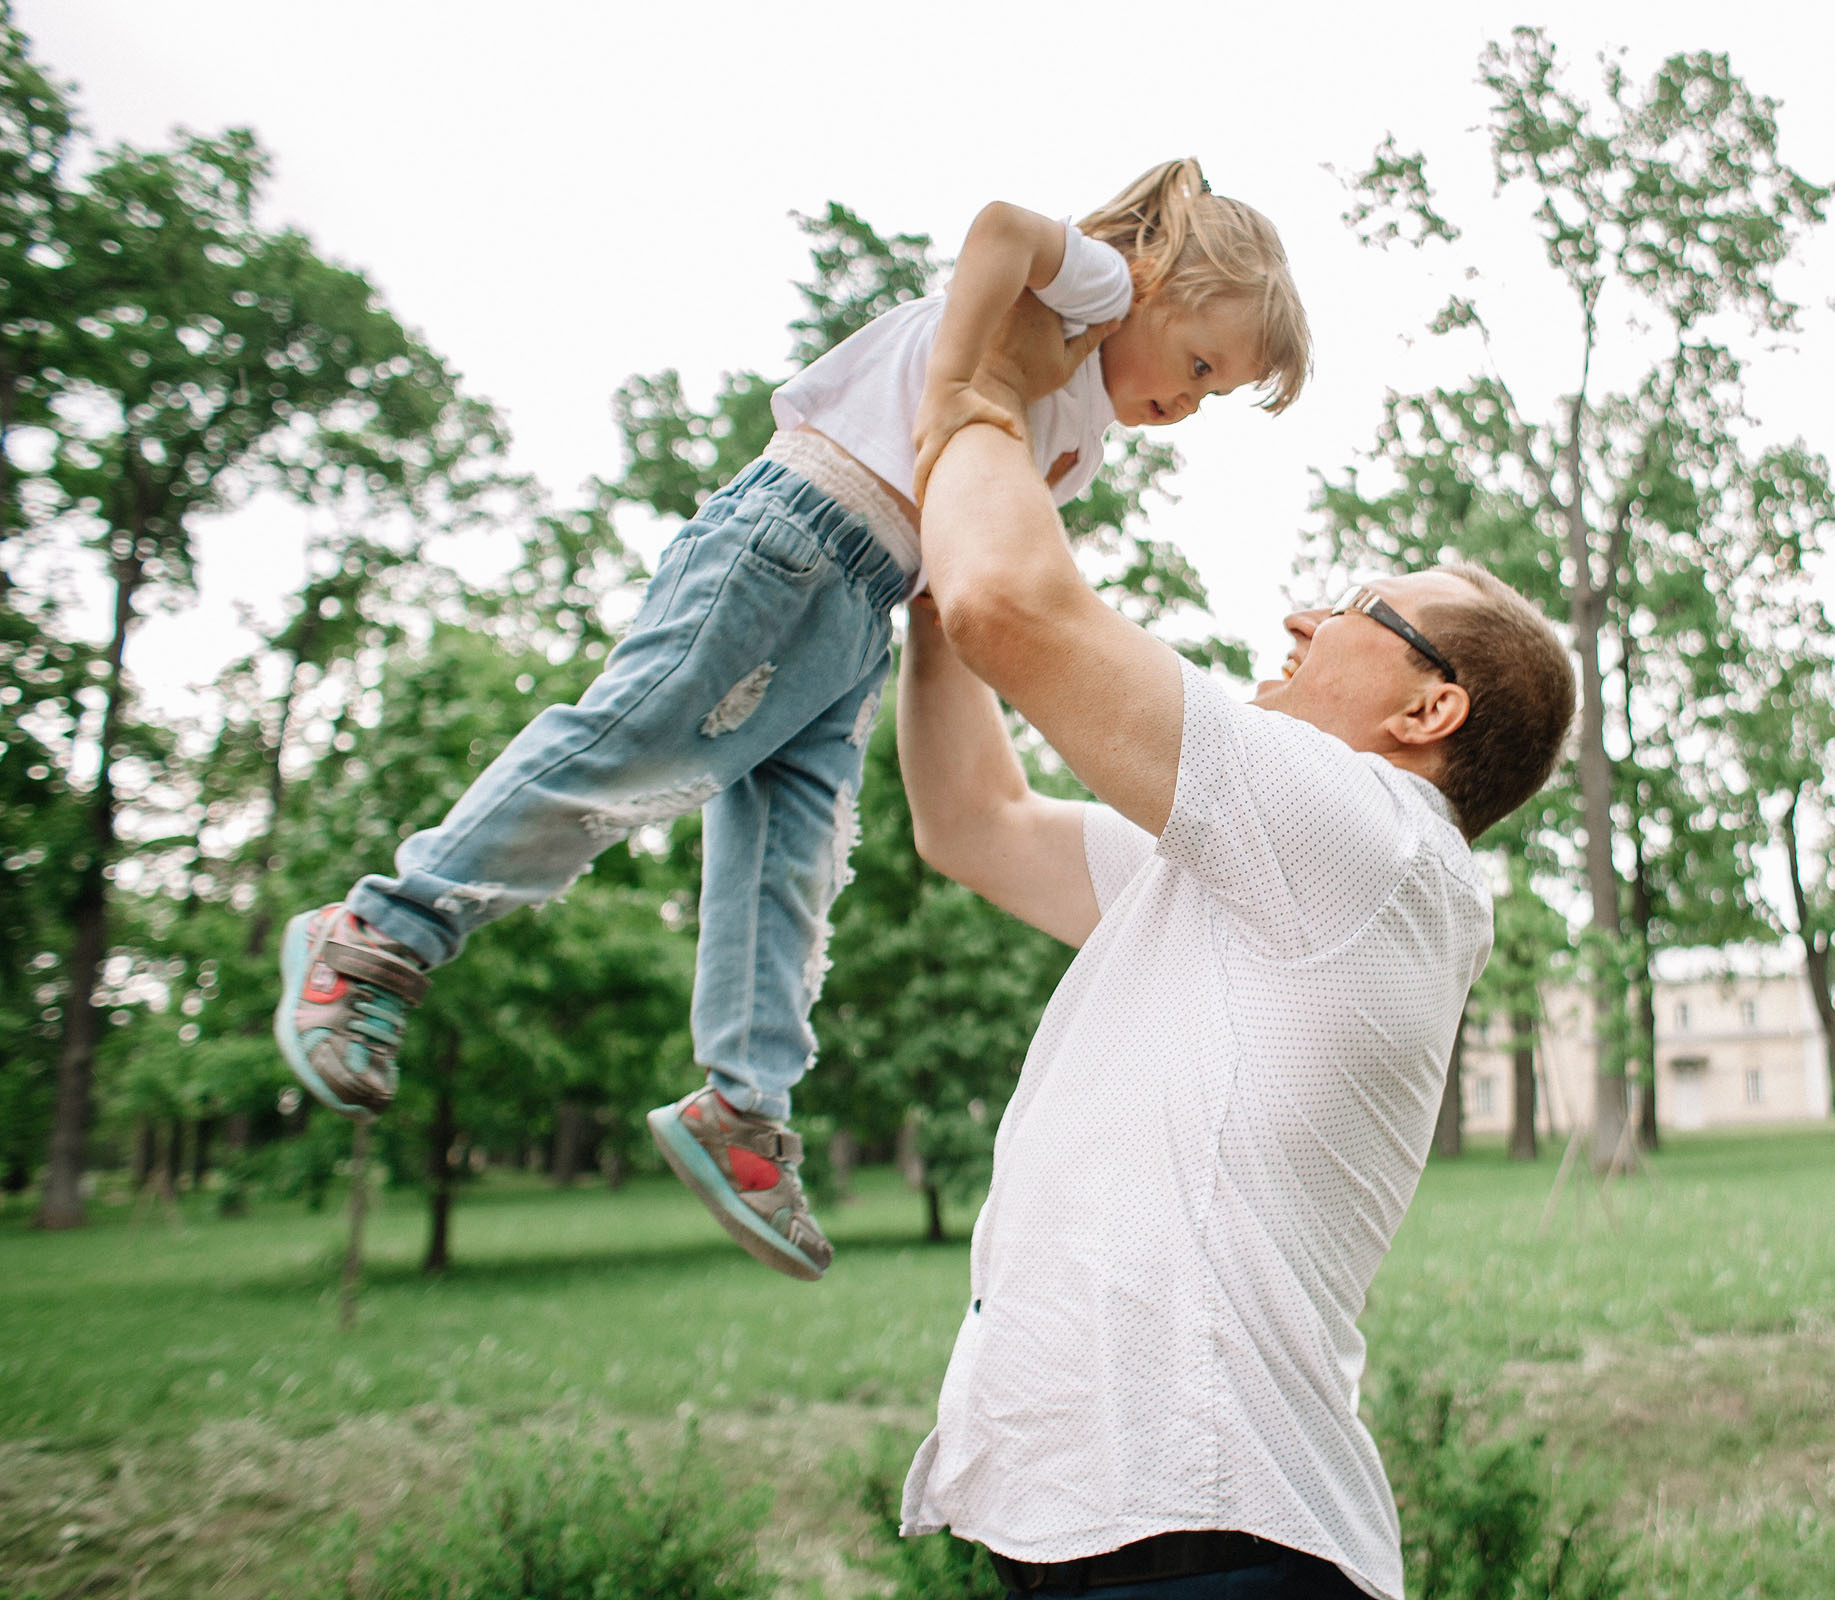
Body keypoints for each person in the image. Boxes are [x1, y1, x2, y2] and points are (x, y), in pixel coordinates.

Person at [271, 159, 1309, 1282]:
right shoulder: (1094, 287)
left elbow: (956, 572)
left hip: (856, 612)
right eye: (1199, 363)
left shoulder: (1080, 443)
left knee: (791, 861)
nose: (1191, 401)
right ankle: (379, 934)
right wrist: (957, 379)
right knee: (632, 749)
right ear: (1155, 280)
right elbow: (1002, 225)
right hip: (796, 535)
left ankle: (745, 1105)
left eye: (1216, 395)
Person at [894, 302, 1576, 1600]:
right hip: (1095, 1529)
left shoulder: (1375, 839)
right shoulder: (1255, 874)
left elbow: (1014, 602)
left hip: (1215, 1541)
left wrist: (969, 392)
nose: (1308, 618)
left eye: (1366, 609)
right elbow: (974, 824)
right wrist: (933, 609)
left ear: (1432, 709)